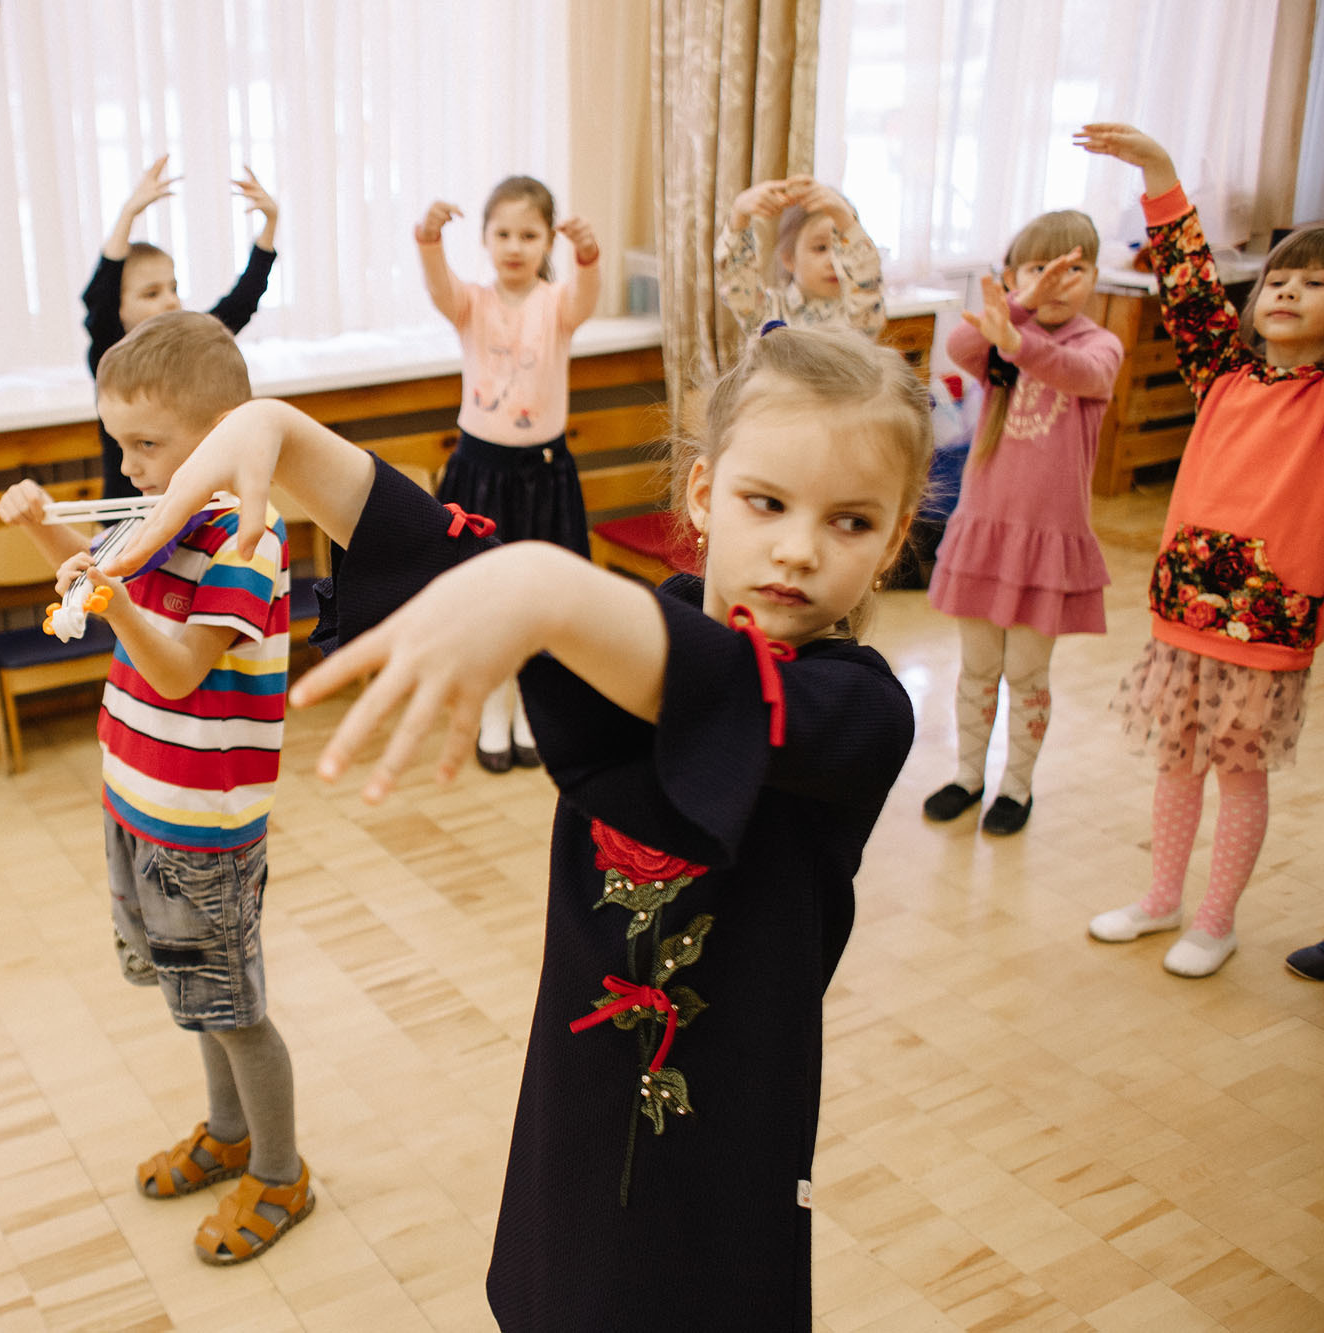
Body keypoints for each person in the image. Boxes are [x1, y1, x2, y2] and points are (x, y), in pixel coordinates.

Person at [104, 325, 933, 1328]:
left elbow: (713, 686)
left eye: (848, 522)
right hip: (573, 1129)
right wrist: (282, 432)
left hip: (722, 1174)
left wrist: (544, 586)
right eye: (767, 503)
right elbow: (456, 554)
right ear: (705, 496)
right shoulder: (622, 632)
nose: (798, 548)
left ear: (892, 542)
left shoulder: (861, 713)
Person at [0, 311, 310, 1263]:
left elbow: (176, 668)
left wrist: (118, 598)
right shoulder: (156, 514)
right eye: (118, 443)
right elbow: (98, 581)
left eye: (146, 444)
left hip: (203, 824)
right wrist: (51, 531)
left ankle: (282, 1171)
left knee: (235, 1008)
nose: (129, 467)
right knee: (192, 996)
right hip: (138, 801)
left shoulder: (246, 541)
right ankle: (228, 1135)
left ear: (223, 436)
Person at [1076, 123, 1324, 978]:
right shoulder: (1224, 371)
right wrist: (1161, 176)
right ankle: (1161, 899)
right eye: (1280, 279)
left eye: (1314, 283)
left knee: (1239, 772)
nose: (1288, 292)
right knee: (1178, 761)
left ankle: (1215, 920)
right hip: (1184, 610)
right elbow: (1187, 285)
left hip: (1269, 622)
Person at [921, 212, 1122, 835]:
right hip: (984, 534)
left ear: (1094, 276)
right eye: (1041, 268)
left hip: (1047, 548)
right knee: (978, 668)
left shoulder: (1098, 344)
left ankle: (1017, 786)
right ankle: (968, 775)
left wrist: (1018, 336)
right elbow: (960, 349)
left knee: (1027, 673)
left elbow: (1078, 374)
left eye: (1074, 269)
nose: (1058, 281)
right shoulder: (1003, 334)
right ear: (1013, 276)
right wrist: (1019, 311)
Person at [415, 176, 601, 771]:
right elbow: (440, 288)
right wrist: (428, 240)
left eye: (529, 233)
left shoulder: (557, 304)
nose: (515, 245)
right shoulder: (473, 302)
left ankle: (530, 704)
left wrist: (589, 255)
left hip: (545, 475)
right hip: (481, 474)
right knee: (487, 599)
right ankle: (491, 704)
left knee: (543, 599)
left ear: (549, 238)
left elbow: (585, 298)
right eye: (503, 233)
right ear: (486, 239)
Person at [82, 155, 279, 500]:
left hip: (189, 507)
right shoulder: (109, 351)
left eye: (173, 288)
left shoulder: (192, 346)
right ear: (120, 306)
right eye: (151, 293)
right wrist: (128, 214)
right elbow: (99, 300)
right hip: (127, 511)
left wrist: (271, 223)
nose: (171, 301)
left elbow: (242, 301)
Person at [715, 176, 886, 337]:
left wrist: (842, 215)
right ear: (789, 259)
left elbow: (867, 276)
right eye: (820, 248)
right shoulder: (769, 313)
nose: (834, 261)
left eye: (842, 250)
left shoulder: (862, 312)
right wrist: (739, 213)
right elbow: (734, 279)